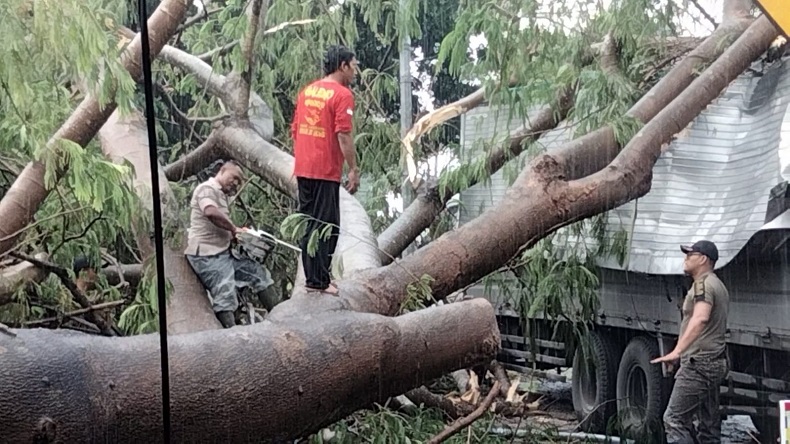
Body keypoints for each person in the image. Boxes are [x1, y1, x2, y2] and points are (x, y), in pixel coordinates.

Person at [290, 45, 360, 295]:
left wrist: (303, 158)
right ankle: (319, 282)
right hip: (324, 169)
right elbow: (343, 134)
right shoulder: (342, 95)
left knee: (309, 223)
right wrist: (353, 168)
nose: (355, 71)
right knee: (326, 226)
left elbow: (295, 129)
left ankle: (314, 278)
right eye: (353, 65)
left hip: (304, 167)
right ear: (342, 66)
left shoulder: (308, 91)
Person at [651, 240, 729, 444]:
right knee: (708, 426)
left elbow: (700, 318)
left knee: (674, 419)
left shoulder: (703, 285)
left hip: (699, 363)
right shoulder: (717, 284)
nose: (685, 259)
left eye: (689, 255)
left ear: (703, 259)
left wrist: (677, 351)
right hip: (714, 360)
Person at [184, 161, 274, 328]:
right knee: (225, 293)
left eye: (239, 181)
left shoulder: (222, 195)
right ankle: (231, 335)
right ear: (222, 171)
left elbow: (220, 224)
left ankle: (278, 316)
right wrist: (233, 229)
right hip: (207, 255)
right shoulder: (207, 189)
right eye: (234, 178)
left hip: (223, 252)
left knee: (257, 273)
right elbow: (210, 212)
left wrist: (237, 234)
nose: (235, 183)